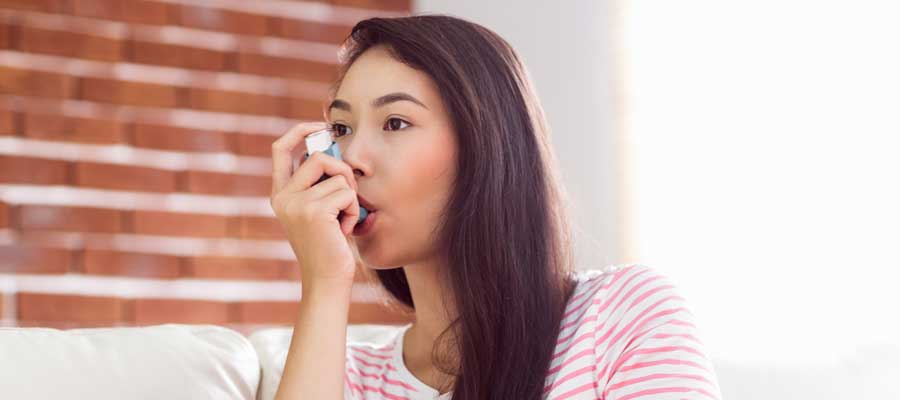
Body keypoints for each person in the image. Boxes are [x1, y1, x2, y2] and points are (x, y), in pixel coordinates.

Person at [269, 14, 722, 400]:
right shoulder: (343, 377)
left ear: (487, 147)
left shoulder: (621, 316)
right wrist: (325, 281)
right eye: (342, 129)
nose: (352, 160)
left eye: (395, 122)